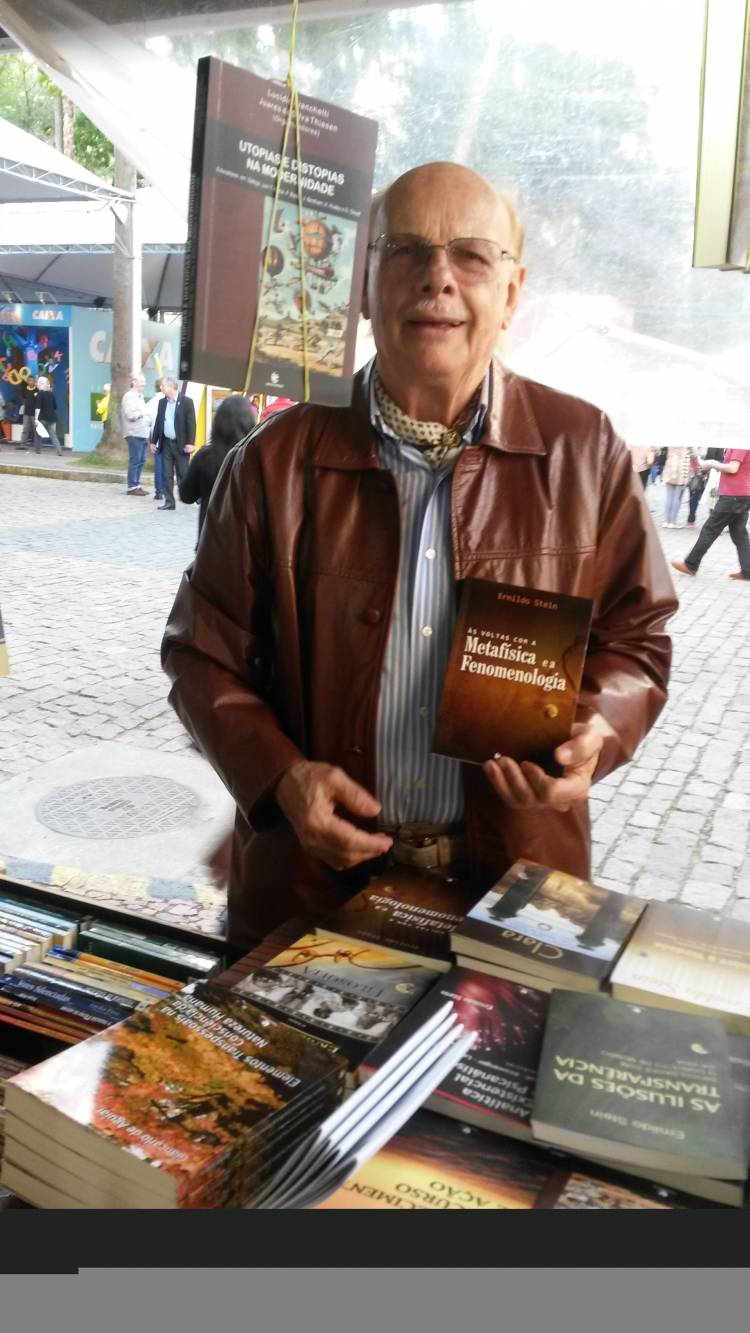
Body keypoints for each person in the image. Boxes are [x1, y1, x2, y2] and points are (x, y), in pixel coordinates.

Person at [162, 161, 677, 955]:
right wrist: (281, 777)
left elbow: (638, 638)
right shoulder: (272, 462)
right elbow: (201, 653)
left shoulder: (585, 452)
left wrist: (595, 732)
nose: (438, 278)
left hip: (518, 885)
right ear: (364, 287)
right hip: (310, 888)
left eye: (472, 255)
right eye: (406, 251)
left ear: (512, 292)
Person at [179, 395, 258, 539]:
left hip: (210, 540)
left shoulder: (205, 457)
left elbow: (186, 495)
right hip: (246, 542)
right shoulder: (256, 458)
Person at [671, 447, 750, 581]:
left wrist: (713, 463)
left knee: (710, 529)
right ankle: (747, 571)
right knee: (739, 534)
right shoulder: (740, 443)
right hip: (741, 494)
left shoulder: (739, 444)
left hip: (733, 495)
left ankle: (691, 564)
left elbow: (733, 468)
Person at [150, 377, 196, 511]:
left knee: (183, 473)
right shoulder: (162, 402)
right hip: (166, 443)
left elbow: (191, 424)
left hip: (181, 444)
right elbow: (158, 423)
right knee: (166, 474)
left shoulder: (187, 402)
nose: (161, 388)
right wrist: (153, 441)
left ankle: (193, 495)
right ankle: (169, 501)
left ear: (171, 387)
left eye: (163, 386)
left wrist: (190, 443)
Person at [120, 372, 151, 496]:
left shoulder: (139, 397)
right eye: (141, 381)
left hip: (143, 433)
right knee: (135, 460)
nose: (144, 384)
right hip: (134, 433)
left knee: (141, 460)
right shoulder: (129, 397)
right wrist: (143, 412)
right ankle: (132, 487)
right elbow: (130, 415)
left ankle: (137, 485)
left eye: (144, 381)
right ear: (134, 382)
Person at [661, 447, 693, 527]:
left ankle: (667, 521)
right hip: (682, 472)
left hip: (670, 470)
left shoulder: (671, 442)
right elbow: (694, 455)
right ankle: (672, 522)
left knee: (669, 497)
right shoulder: (688, 444)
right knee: (677, 498)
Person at [147, 377, 166, 501]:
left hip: (155, 436)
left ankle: (159, 491)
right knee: (165, 465)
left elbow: (147, 420)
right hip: (165, 437)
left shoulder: (151, 402)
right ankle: (164, 489)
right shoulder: (166, 401)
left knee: (159, 464)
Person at [34, 376, 63, 455]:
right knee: (53, 435)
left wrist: (36, 418)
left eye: (38, 383)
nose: (37, 384)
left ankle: (37, 450)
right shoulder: (51, 394)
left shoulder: (39, 394)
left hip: (42, 418)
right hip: (52, 418)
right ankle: (59, 451)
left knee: (38, 434)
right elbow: (55, 406)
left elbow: (38, 407)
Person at [19, 376, 39, 448]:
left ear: (34, 382)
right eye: (29, 380)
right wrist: (24, 403)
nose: (31, 382)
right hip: (26, 412)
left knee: (36, 429)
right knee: (25, 429)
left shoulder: (37, 390)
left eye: (32, 380)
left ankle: (37, 445)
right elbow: (22, 398)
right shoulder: (25, 389)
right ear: (27, 381)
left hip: (35, 413)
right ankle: (23, 444)